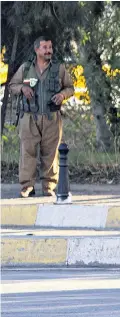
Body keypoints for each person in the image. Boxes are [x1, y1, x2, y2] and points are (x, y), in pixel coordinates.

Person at [9, 36, 74, 198]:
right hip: (29, 117)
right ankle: (27, 186)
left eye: (50, 47)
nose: (49, 51)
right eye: (45, 47)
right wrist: (23, 89)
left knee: (51, 153)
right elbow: (12, 86)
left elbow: (70, 88)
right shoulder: (25, 68)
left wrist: (62, 95)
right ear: (37, 49)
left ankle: (49, 187)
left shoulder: (59, 69)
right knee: (27, 152)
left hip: (52, 117)